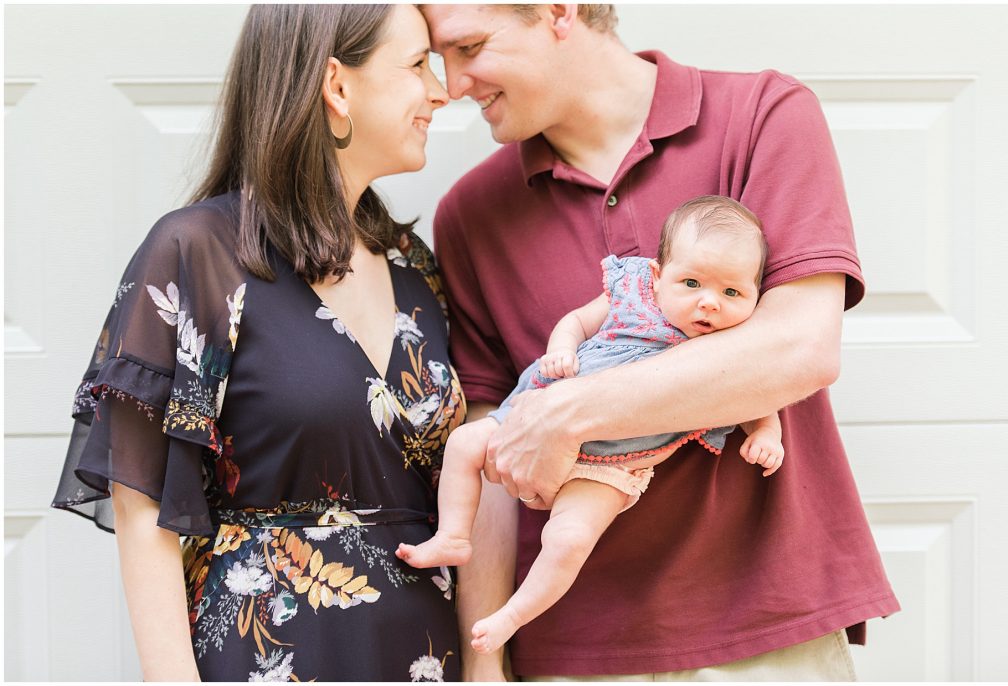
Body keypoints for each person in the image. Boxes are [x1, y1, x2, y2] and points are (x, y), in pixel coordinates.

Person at [422, 3, 900, 681]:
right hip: (570, 652)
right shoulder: (470, 215)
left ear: (558, 11)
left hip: (768, 636)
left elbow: (799, 349)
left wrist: (570, 411)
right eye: (439, 57)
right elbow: (498, 451)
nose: (453, 83)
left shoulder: (762, 113)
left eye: (469, 47)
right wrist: (484, 663)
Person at [50, 5, 465, 681]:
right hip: (269, 655)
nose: (442, 90)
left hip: (423, 652)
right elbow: (144, 504)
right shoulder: (199, 254)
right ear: (337, 85)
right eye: (419, 65)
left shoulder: (412, 265)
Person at [398, 195, 785, 655]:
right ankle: (453, 536)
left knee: (569, 538)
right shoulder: (634, 292)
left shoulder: (733, 343)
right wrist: (562, 346)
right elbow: (577, 321)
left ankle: (511, 617)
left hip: (610, 466)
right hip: (538, 412)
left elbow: (756, 388)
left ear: (755, 297)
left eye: (732, 293)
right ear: (659, 276)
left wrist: (766, 432)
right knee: (464, 443)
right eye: (692, 282)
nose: (710, 304)